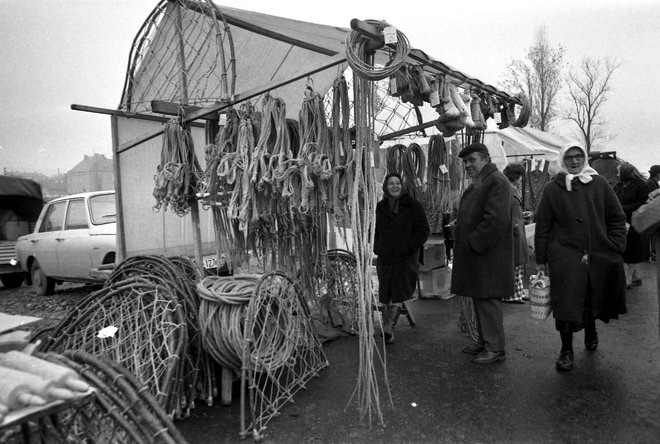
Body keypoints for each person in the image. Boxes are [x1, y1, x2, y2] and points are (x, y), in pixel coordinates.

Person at [534, 143, 627, 372]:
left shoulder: (600, 184)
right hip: (564, 258)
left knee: (592, 297)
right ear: (562, 160)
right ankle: (566, 350)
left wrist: (615, 245)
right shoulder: (552, 189)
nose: (574, 162)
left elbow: (617, 217)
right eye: (569, 158)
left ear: (584, 158)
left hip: (598, 254)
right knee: (565, 304)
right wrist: (541, 258)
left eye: (578, 157)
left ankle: (591, 328)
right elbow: (543, 226)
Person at [450, 143, 513, 364]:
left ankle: (495, 348)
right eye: (465, 161)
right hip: (480, 254)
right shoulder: (481, 181)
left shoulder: (496, 181)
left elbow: (496, 219)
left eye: (472, 160)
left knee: (488, 300)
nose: (467, 165)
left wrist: (474, 241)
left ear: (485, 159)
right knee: (480, 298)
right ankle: (485, 341)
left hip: (488, 255)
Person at [373, 172, 430, 344]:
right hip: (385, 256)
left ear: (402, 186)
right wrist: (377, 247)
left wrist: (408, 246)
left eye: (397, 183)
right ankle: (387, 327)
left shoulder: (413, 206)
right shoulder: (381, 207)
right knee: (385, 291)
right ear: (386, 186)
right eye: (391, 183)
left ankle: (388, 328)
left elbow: (423, 231)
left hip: (405, 257)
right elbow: (377, 229)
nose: (395, 186)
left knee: (397, 290)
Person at [614, 163, 651, 288]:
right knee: (627, 250)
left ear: (626, 172)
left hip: (636, 222)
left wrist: (623, 209)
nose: (617, 174)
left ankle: (628, 279)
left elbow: (643, 203)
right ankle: (635, 276)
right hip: (622, 222)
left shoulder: (641, 185)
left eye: (619, 172)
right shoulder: (618, 186)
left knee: (632, 251)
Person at [502, 163, 529, 304]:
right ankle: (512, 294)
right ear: (515, 176)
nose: (521, 180)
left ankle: (517, 292)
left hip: (516, 228)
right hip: (513, 231)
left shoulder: (510, 188)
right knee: (515, 263)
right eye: (520, 177)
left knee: (518, 264)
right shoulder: (507, 189)